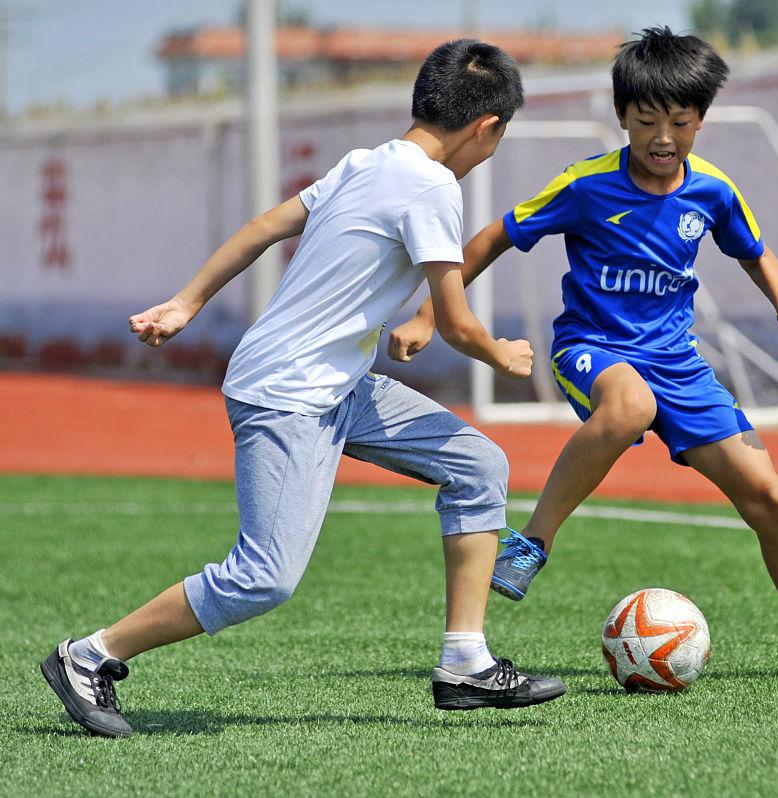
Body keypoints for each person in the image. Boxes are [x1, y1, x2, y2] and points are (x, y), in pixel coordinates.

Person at [40, 39, 567, 739]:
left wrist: (186, 302)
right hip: (289, 393)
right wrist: (500, 352)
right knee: (263, 577)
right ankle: (88, 656)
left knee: (477, 464)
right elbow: (464, 324)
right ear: (488, 127)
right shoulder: (436, 185)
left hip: (334, 384)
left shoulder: (366, 163)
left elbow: (265, 227)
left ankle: (464, 662)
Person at [391, 27, 778, 682]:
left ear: (700, 121)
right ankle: (533, 541)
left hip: (677, 361)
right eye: (646, 119)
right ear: (622, 116)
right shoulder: (586, 185)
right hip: (592, 347)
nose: (662, 136)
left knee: (772, 498)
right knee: (628, 405)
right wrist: (430, 314)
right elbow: (491, 238)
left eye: (679, 122)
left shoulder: (711, 189)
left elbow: (752, 250)